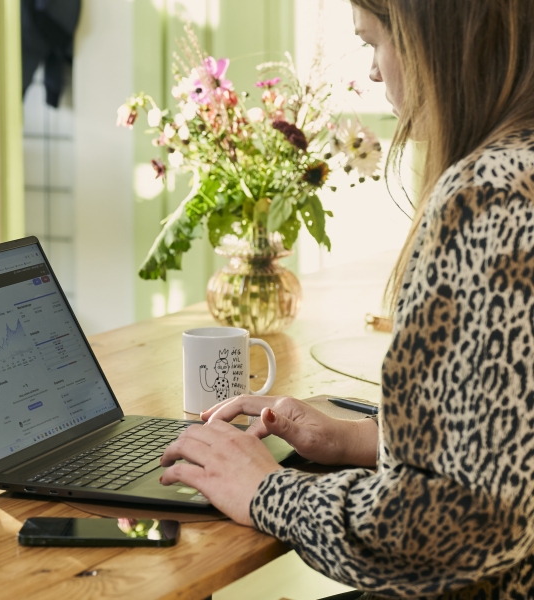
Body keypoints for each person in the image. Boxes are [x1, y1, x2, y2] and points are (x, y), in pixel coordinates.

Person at [159, 0, 534, 597]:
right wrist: (357, 439)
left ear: (430, 40)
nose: (378, 72)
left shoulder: (490, 199)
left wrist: (266, 491)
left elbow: (461, 525)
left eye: (374, 42)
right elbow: (511, 444)